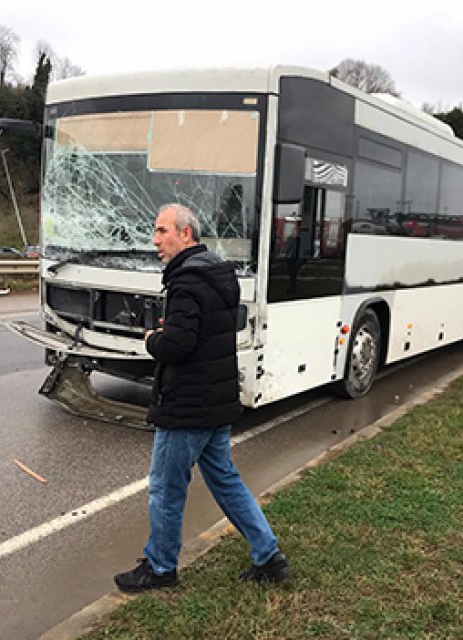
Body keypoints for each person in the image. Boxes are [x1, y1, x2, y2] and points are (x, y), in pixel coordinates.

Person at [113, 203, 288, 593]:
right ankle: (268, 555)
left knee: (165, 487)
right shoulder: (219, 273)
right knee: (225, 480)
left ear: (185, 233)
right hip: (217, 400)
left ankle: (161, 568)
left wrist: (153, 339)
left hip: (188, 405)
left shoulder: (186, 282)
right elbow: (208, 333)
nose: (155, 240)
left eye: (162, 231)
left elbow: (177, 345)